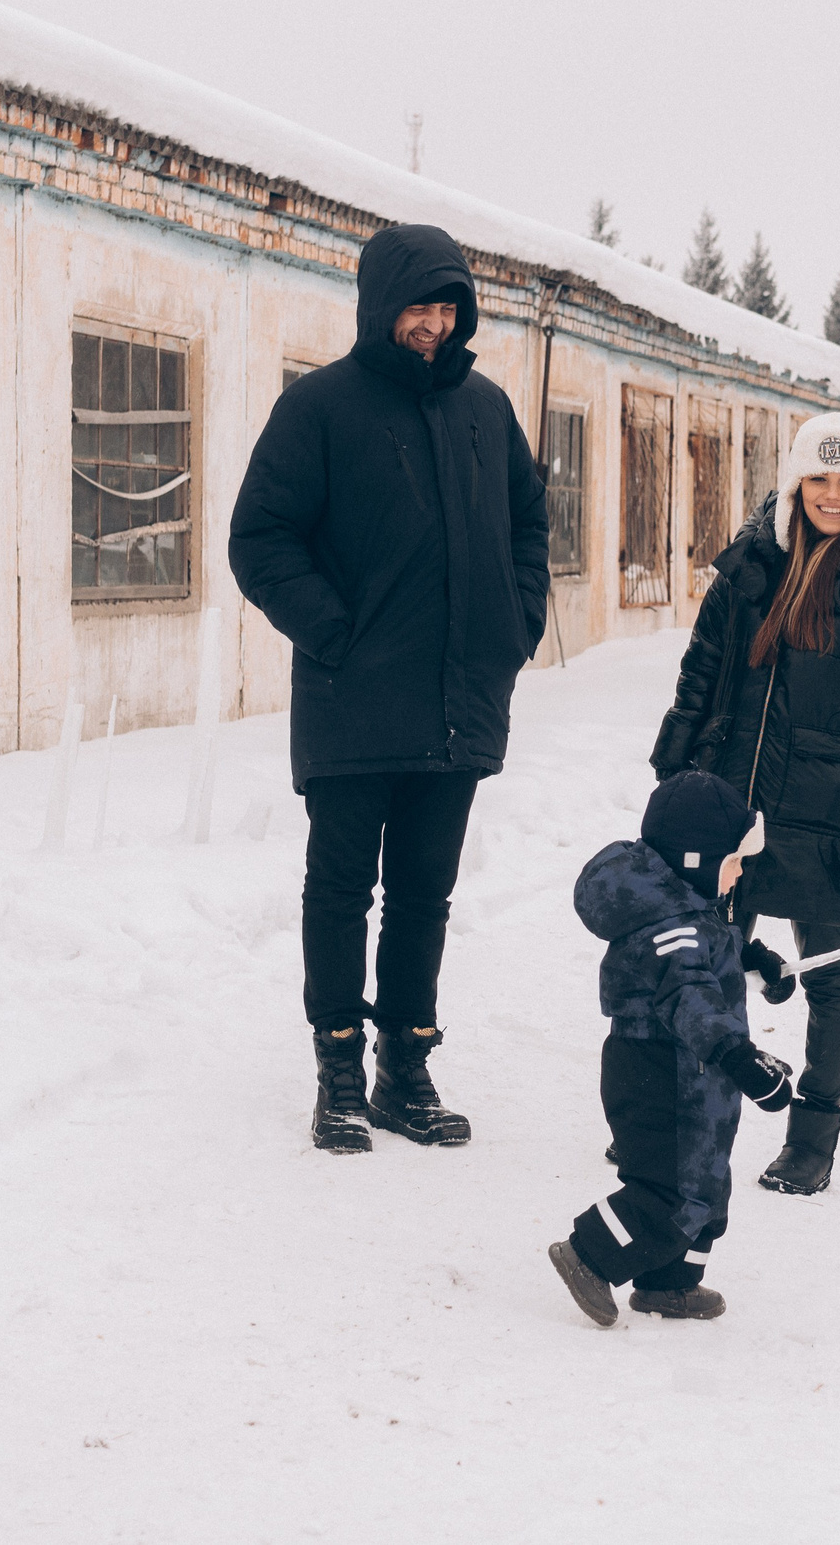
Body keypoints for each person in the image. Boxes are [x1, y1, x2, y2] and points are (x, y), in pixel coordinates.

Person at [228, 223, 550, 1154]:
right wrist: (336, 632)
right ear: (380, 307)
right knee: (340, 886)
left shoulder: (487, 409)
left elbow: (531, 525)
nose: (434, 324)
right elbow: (261, 537)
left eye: (448, 307)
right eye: (419, 305)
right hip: (354, 699)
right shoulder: (320, 408)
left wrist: (514, 626)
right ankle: (336, 1068)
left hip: (459, 699)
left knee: (423, 892)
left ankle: (404, 1066)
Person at [648, 413, 840, 1196]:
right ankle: (688, 1112)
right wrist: (675, 767)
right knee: (708, 962)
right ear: (796, 483)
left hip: (834, 809)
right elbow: (700, 670)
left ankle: (813, 1138)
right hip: (732, 800)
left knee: (829, 974)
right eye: (819, 478)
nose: (833, 495)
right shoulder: (751, 568)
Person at [549, 771, 796, 1325]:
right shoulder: (669, 929)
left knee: (707, 1184)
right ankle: (589, 1253)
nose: (738, 872)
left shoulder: (686, 911)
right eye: (732, 861)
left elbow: (712, 952)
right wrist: (742, 1059)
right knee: (671, 1190)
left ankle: (669, 1284)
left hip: (697, 1072)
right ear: (695, 859)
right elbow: (689, 995)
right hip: (660, 1071)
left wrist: (754, 961)